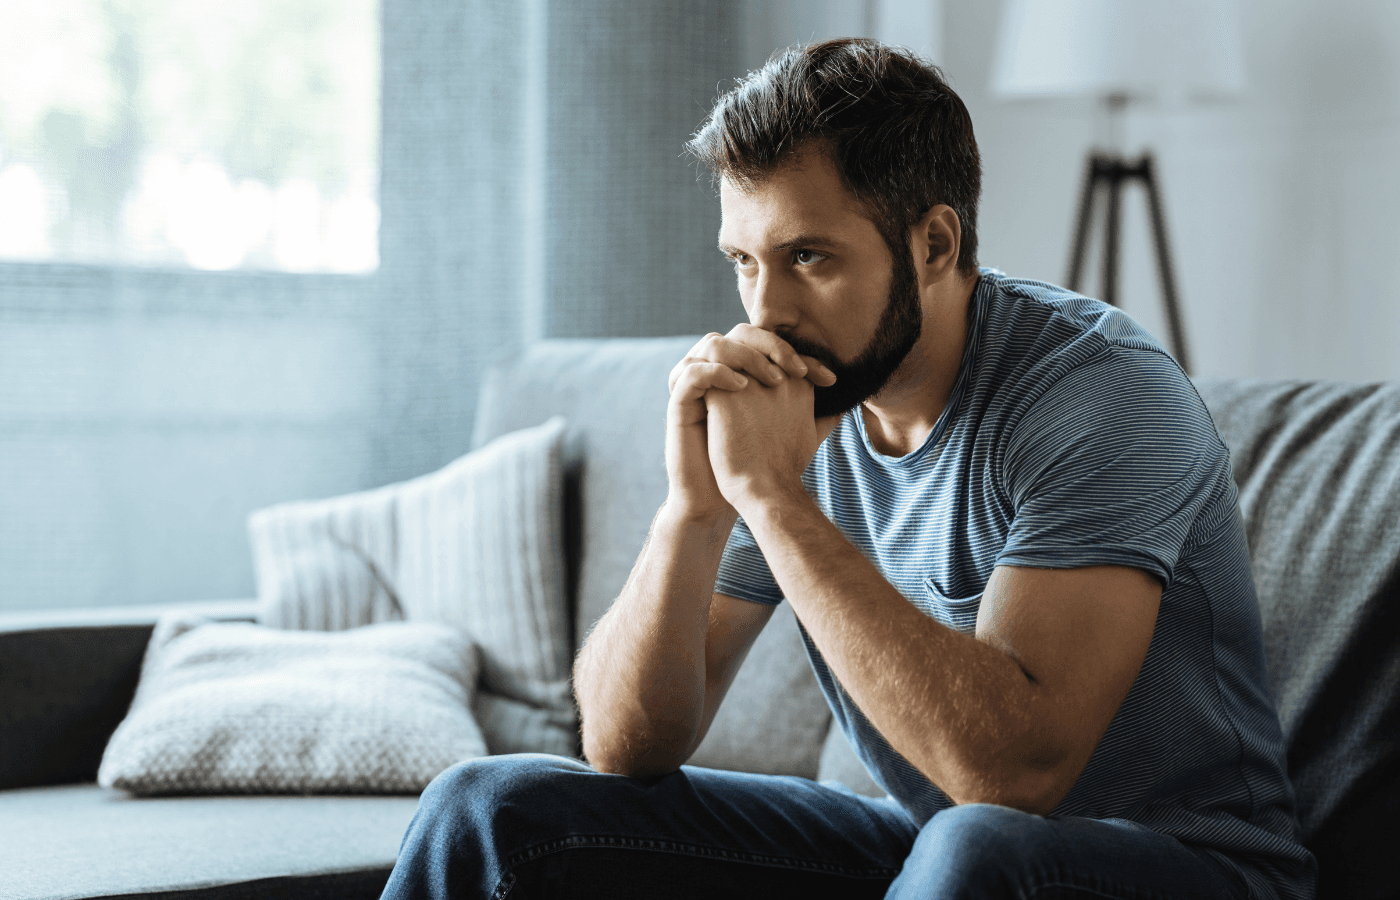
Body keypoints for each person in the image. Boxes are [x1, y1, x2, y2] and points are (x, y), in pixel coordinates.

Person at [380, 38, 1315, 900]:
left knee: (974, 846)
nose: (766, 309)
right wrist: (693, 513)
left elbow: (1012, 777)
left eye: (808, 256)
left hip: (1192, 866)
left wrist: (773, 499)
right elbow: (624, 747)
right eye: (744, 260)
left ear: (935, 245)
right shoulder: (796, 406)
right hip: (931, 845)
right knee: (493, 810)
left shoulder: (1100, 396)